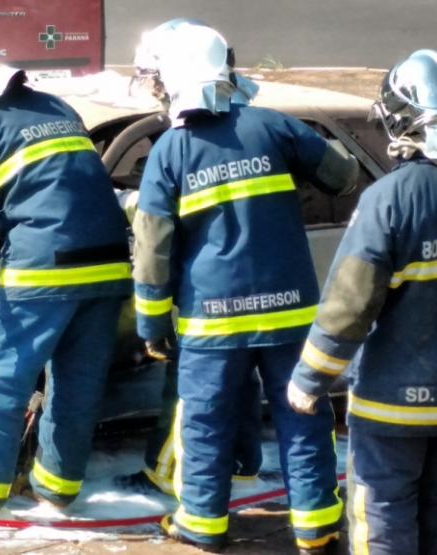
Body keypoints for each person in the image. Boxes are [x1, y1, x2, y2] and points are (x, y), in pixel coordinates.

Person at [130, 21, 359, 552]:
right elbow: (342, 176)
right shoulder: (275, 128)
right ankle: (317, 527)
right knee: (303, 417)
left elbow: (152, 251)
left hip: (211, 322)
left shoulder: (170, 152)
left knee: (205, 425)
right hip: (289, 315)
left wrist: (151, 323)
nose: (158, 89)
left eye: (159, 78)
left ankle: (203, 526)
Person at [287, 49, 437, 555]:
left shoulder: (387, 199)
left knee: (383, 508)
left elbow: (350, 304)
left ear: (400, 120)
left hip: (393, 402)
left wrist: (309, 379)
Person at [0, 44, 132, 512]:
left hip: (41, 266)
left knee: (0, 377)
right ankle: (56, 492)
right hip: (109, 264)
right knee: (77, 384)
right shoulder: (58, 107)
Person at [114, 17, 266, 498]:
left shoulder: (184, 140)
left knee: (188, 387)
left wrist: (127, 203)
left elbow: (167, 227)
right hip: (260, 281)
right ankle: (243, 463)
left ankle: (164, 473)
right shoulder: (253, 124)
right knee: (241, 381)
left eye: (156, 79)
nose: (155, 91)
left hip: (208, 291)